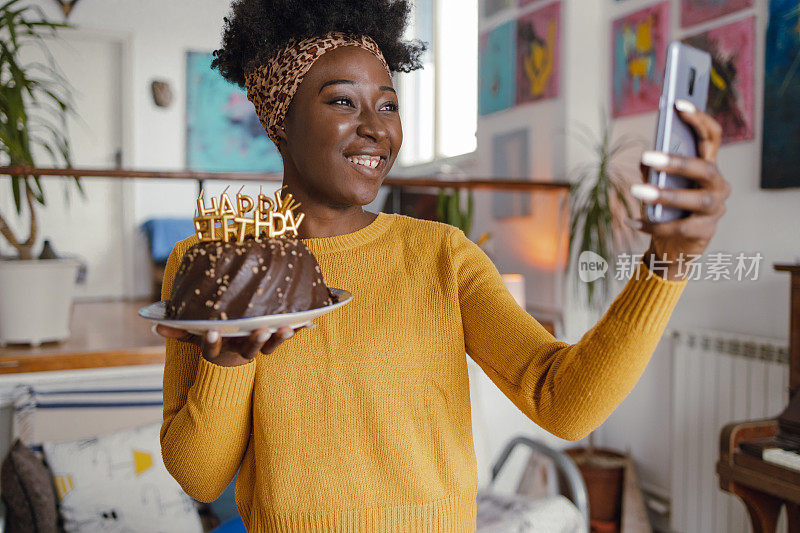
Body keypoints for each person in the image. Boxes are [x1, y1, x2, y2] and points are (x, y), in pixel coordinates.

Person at [156, 0, 731, 530]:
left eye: (388, 105)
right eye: (341, 101)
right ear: (279, 116)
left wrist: (667, 264)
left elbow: (566, 402)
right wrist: (228, 361)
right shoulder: (215, 266)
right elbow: (201, 477)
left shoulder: (442, 255)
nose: (377, 129)